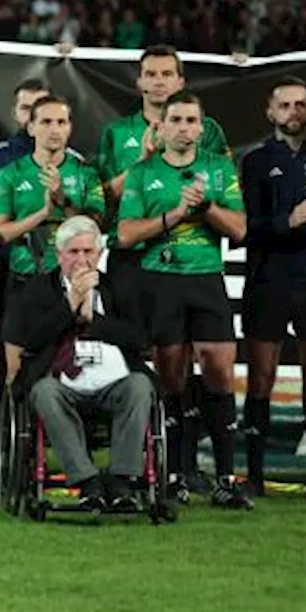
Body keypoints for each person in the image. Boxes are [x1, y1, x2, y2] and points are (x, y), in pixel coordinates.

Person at [96, 45, 230, 493]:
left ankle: (187, 463)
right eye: (150, 74)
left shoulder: (207, 130)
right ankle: (140, 462)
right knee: (145, 362)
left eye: (166, 74)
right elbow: (105, 198)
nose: (157, 81)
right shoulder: (118, 133)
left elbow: (214, 175)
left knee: (193, 361)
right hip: (133, 262)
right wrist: (144, 161)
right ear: (138, 82)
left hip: (189, 261)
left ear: (179, 82)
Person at [117, 91, 251, 509]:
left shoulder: (217, 167)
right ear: (160, 127)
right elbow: (124, 234)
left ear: (201, 125)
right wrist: (174, 215)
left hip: (206, 280)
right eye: (175, 119)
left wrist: (206, 206)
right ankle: (175, 473)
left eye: (191, 120)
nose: (184, 128)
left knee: (219, 369)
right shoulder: (141, 173)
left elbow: (240, 230)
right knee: (171, 376)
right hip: (160, 282)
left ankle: (226, 478)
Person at [6, 216, 157, 512]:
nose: (81, 260)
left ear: (99, 255)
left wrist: (93, 321)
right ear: (59, 255)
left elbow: (139, 338)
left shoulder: (119, 287)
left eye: (88, 252)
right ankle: (87, 481)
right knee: (44, 392)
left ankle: (121, 480)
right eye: (73, 252)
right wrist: (71, 303)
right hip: (62, 383)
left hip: (113, 380)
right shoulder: (38, 290)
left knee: (141, 386)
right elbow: (33, 339)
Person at [239, 79, 306, 502]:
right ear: (270, 111)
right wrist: (289, 222)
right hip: (268, 280)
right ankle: (256, 475)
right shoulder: (255, 161)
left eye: (301, 104)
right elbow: (244, 228)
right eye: (285, 105)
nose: (294, 111)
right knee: (261, 377)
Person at [0, 96, 105, 393]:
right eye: (46, 122)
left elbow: (95, 225)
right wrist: (42, 213)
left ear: (69, 129)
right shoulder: (11, 174)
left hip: (74, 284)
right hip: (25, 281)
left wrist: (61, 201)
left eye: (61, 122)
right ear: (30, 128)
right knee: (15, 370)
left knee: (79, 363)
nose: (54, 129)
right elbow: (2, 232)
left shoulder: (86, 174)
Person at [0, 78, 51, 479]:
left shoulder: (71, 160)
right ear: (17, 113)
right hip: (6, 272)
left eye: (40, 107)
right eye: (25, 108)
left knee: (56, 362)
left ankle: (39, 457)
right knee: (1, 364)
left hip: (55, 276)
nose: (32, 116)